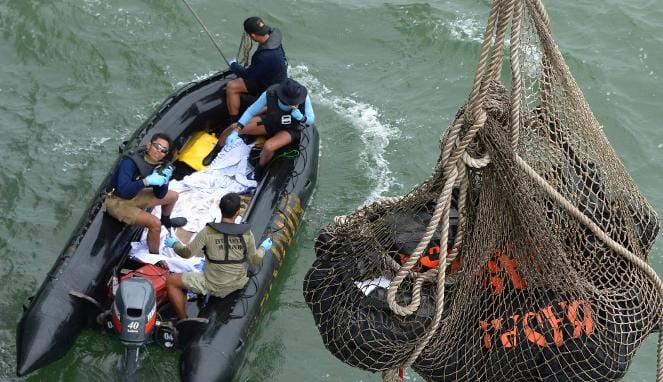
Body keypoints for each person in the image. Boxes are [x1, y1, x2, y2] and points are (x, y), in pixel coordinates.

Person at [164, 192, 273, 320]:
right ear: (238, 212)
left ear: (220, 209)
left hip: (212, 284)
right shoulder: (246, 234)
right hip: (237, 283)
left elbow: (186, 253)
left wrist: (174, 244)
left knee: (171, 281)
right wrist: (263, 248)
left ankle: (183, 320)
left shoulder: (207, 232)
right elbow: (255, 260)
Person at [203, 16, 288, 164]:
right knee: (232, 86)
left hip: (271, 90)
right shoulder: (275, 33)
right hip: (265, 79)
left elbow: (248, 75)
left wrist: (234, 66)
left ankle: (237, 132)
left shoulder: (266, 57)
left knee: (253, 117)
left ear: (253, 36)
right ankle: (233, 121)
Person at [203, 78, 315, 178]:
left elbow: (311, 119)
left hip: (289, 129)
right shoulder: (270, 94)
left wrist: (301, 117)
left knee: (269, 146)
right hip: (271, 122)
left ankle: (259, 169)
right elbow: (251, 111)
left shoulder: (304, 99)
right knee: (233, 128)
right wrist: (237, 130)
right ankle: (216, 151)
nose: (296, 103)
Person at [103, 133, 180, 254]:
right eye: (156, 146)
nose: (158, 152)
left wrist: (164, 181)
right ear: (149, 145)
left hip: (135, 194)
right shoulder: (130, 162)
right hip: (116, 200)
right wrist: (146, 181)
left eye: (163, 150)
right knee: (155, 224)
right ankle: (154, 257)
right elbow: (124, 190)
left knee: (173, 196)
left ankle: (166, 220)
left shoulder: (159, 166)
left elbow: (160, 195)